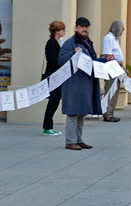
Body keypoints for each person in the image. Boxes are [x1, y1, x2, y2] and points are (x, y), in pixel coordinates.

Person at [58, 17, 101, 150]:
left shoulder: (88, 42)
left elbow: (92, 60)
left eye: (86, 27)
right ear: (76, 28)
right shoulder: (70, 43)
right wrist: (73, 52)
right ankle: (70, 141)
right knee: (72, 112)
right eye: (82, 26)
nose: (84, 29)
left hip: (85, 83)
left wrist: (105, 60)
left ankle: (78, 139)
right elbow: (60, 60)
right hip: (73, 83)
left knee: (81, 112)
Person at [42, 20, 66, 136]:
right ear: (57, 31)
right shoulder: (51, 43)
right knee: (53, 100)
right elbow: (52, 60)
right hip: (52, 75)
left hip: (55, 76)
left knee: (54, 100)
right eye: (62, 30)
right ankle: (47, 127)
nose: (64, 32)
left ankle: (49, 126)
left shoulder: (56, 42)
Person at [101, 20, 125, 123]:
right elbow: (107, 55)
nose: (123, 29)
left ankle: (111, 112)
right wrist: (118, 62)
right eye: (122, 28)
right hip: (111, 69)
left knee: (115, 91)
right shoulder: (108, 38)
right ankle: (107, 113)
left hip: (117, 69)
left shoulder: (115, 39)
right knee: (110, 91)